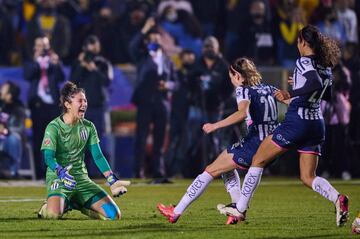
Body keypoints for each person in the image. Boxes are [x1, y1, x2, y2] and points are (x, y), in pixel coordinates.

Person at [218, 25, 349, 227]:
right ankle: (338, 198)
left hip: (297, 122)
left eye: (298, 41)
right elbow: (327, 95)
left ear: (303, 42)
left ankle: (240, 208)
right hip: (316, 124)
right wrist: (299, 83)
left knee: (258, 159)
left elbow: (312, 84)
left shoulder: (304, 61)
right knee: (308, 177)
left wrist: (292, 92)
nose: (297, 45)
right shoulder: (325, 66)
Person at [157, 57, 279, 224]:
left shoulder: (243, 90)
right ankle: (236, 208)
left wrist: (215, 125)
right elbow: (288, 99)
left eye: (231, 76)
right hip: (272, 143)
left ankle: (176, 211)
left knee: (210, 170)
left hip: (255, 143)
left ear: (237, 75)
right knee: (226, 168)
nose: (231, 80)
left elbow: (241, 113)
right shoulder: (267, 87)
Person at [37, 82, 130, 220]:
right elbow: (48, 157)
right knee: (53, 214)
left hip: (81, 180)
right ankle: (46, 207)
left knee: (114, 215)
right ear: (68, 104)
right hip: (59, 178)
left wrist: (111, 179)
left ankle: (80, 204)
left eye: (85, 100)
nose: (84, 104)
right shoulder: (54, 127)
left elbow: (98, 156)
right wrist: (60, 172)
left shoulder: (88, 127)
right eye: (80, 101)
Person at [70, 35, 113, 177]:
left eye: (95, 44)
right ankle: (83, 173)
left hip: (98, 107)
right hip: (81, 109)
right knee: (80, 142)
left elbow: (106, 81)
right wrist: (81, 65)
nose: (92, 47)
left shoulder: (103, 63)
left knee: (98, 141)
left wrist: (93, 69)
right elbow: (72, 83)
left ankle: (101, 173)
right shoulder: (78, 63)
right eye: (90, 44)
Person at [23, 35, 65, 179]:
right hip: (38, 104)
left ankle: (53, 171)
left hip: (52, 105)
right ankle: (39, 173)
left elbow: (61, 77)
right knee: (38, 139)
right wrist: (36, 62)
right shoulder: (31, 61)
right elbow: (27, 75)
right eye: (40, 45)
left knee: (54, 139)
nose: (43, 48)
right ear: (35, 47)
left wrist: (57, 63)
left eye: (45, 45)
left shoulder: (53, 61)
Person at [0, 81, 26, 177]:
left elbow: (19, 128)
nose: (1, 90)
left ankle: (13, 172)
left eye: (3, 89)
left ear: (9, 95)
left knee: (14, 139)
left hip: (8, 139)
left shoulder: (18, 107)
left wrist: (5, 130)